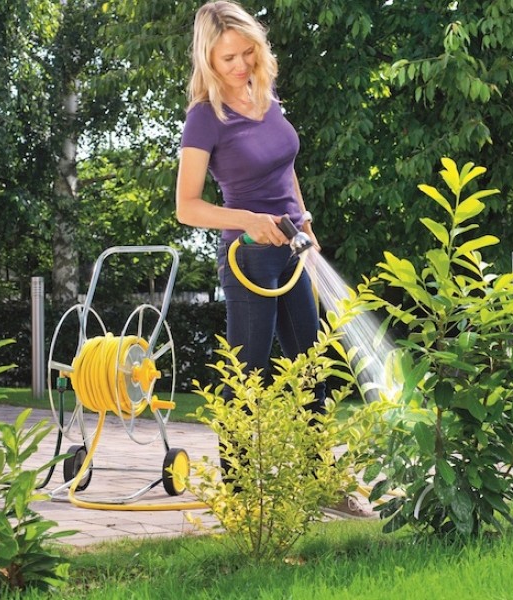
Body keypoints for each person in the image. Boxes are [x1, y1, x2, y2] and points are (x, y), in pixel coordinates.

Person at [175, 0, 372, 520]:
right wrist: (248, 219)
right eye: (228, 59)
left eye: (247, 53)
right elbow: (187, 207)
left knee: (311, 368)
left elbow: (287, 169)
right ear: (208, 60)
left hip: (292, 251)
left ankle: (322, 483)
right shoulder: (205, 118)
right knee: (249, 378)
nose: (241, 65)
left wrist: (304, 223)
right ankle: (241, 499)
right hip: (249, 259)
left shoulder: (266, 95)